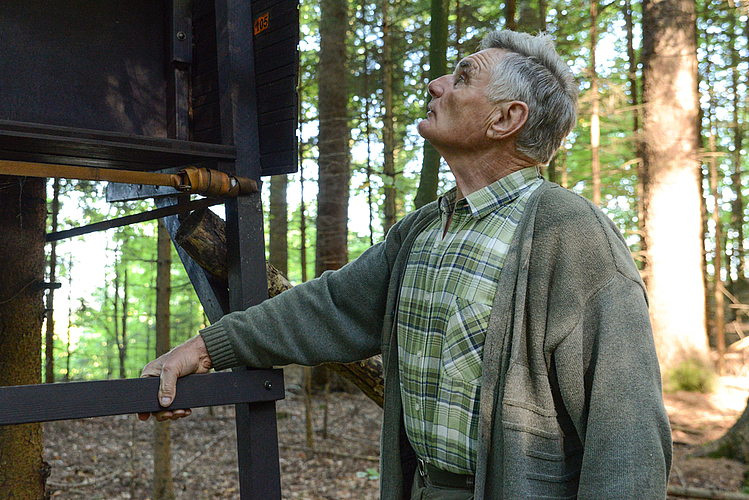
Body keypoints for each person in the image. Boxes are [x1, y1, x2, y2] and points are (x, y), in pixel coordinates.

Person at [139, 30, 672, 499]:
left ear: (506, 119)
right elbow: (327, 307)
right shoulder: (420, 230)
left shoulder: (572, 235)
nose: (436, 85)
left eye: (463, 77)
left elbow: (629, 440)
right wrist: (206, 348)